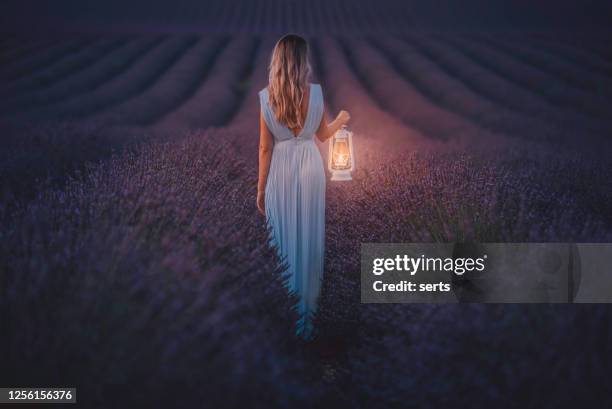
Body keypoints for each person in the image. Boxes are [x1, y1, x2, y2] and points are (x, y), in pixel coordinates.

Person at [257, 34, 350, 340]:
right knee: (309, 242)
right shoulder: (317, 93)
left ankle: (284, 319)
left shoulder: (265, 97)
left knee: (281, 243)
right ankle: (307, 322)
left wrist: (260, 190)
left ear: (277, 61)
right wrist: (341, 120)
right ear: (303, 61)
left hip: (280, 169)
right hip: (310, 167)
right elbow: (323, 135)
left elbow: (264, 148)